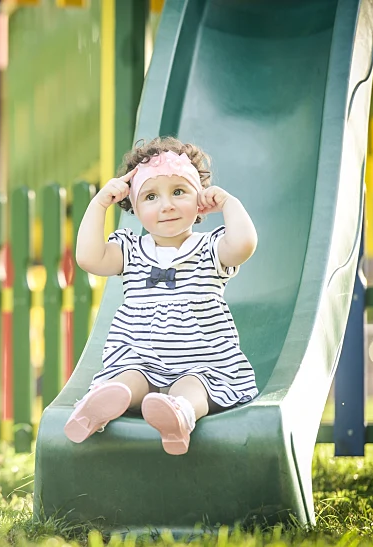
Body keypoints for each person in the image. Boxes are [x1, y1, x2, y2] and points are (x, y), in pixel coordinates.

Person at [64, 136, 259, 455]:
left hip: (199, 362)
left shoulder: (210, 248)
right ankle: (97, 407)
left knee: (192, 387)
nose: (166, 205)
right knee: (127, 379)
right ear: (135, 207)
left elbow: (244, 245)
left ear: (200, 200)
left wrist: (228, 203)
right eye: (151, 196)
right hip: (141, 359)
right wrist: (100, 203)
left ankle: (180, 414)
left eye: (179, 192)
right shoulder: (130, 250)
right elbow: (88, 257)